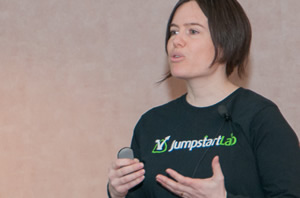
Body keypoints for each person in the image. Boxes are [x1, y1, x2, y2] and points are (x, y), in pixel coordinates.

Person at [107, 0, 300, 197]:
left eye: (192, 31)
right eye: (174, 32)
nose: (177, 41)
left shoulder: (260, 117)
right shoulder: (151, 124)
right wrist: (116, 192)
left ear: (226, 41)